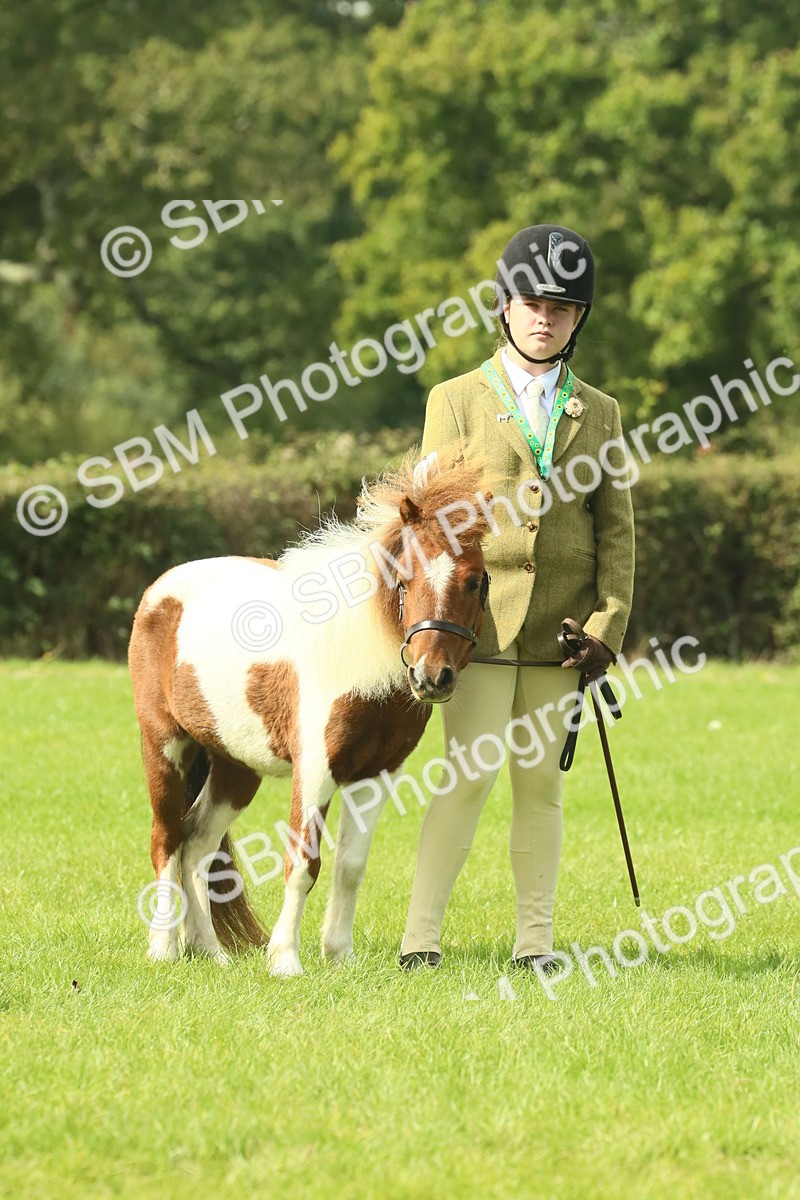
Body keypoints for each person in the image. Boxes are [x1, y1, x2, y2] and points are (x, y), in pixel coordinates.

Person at [399, 224, 636, 973]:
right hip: (477, 632)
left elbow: (617, 531)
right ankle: (419, 940)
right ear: (504, 308)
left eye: (561, 309)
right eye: (532, 304)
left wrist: (608, 627)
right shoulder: (456, 400)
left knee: (540, 791)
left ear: (578, 320)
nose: (545, 318)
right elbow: (432, 524)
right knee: (466, 782)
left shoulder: (600, 412)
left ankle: (535, 945)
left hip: (562, 636)